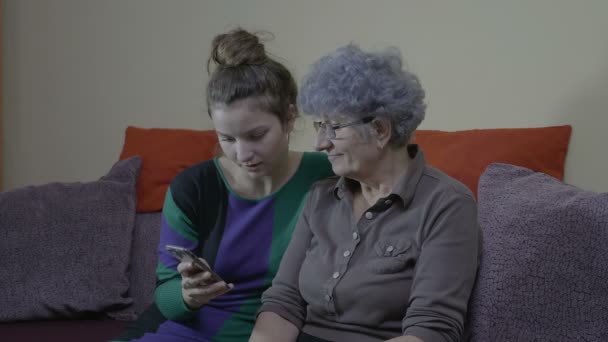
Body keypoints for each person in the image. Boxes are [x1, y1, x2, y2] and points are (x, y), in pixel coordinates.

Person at [112, 29, 333, 342]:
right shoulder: (194, 188)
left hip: (287, 330)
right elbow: (165, 296)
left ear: (289, 117)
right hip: (189, 331)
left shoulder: (328, 174)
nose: (242, 155)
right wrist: (187, 295)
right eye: (227, 138)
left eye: (257, 136)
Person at [250, 44, 480, 342]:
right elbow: (284, 301)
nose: (320, 143)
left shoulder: (447, 205)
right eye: (319, 126)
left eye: (333, 127)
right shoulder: (321, 197)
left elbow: (432, 330)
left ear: (381, 130)